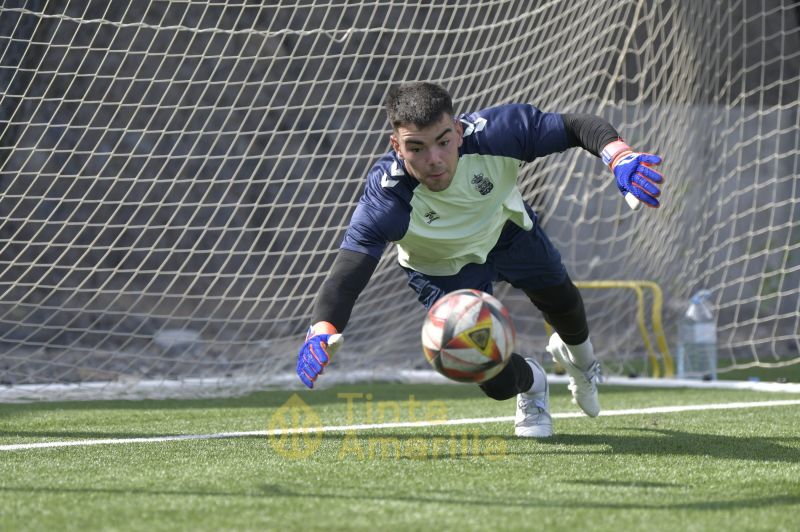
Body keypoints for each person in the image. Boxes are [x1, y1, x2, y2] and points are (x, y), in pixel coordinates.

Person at [295, 82, 664, 438]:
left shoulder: (496, 134)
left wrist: (619, 155)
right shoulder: (387, 199)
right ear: (397, 146)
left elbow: (575, 127)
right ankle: (534, 383)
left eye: (443, 142)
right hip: (442, 268)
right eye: (416, 148)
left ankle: (583, 366)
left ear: (458, 132)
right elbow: (347, 276)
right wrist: (321, 329)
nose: (434, 160)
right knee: (490, 377)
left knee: (563, 301)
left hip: (506, 231)